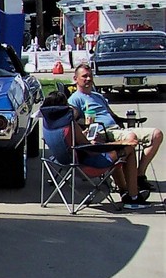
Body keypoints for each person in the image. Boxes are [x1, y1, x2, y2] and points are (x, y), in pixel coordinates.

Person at [40, 91, 148, 208]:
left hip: (62, 163)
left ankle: (124, 191)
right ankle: (133, 198)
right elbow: (90, 148)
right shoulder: (69, 123)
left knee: (117, 151)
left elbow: (71, 141)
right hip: (85, 165)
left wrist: (83, 136)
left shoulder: (47, 123)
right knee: (128, 149)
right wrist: (118, 143)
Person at [68, 63, 161, 193]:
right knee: (131, 139)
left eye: (90, 76)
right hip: (103, 133)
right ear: (75, 79)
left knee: (157, 134)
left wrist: (126, 121)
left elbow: (112, 115)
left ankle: (139, 175)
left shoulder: (98, 96)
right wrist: (86, 130)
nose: (88, 79)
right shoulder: (75, 99)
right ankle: (128, 189)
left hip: (117, 130)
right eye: (84, 76)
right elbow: (72, 119)